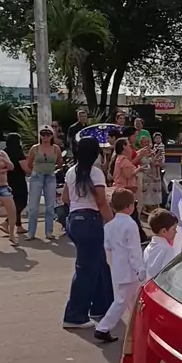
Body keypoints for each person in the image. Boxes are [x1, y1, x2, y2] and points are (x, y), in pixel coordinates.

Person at [62, 136, 114, 328]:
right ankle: (74, 315)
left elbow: (65, 197)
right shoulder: (95, 173)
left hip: (74, 220)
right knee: (86, 270)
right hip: (90, 221)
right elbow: (101, 201)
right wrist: (113, 222)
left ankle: (101, 306)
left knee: (99, 265)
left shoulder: (71, 171)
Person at [94, 189, 146, 343]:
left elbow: (107, 247)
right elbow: (134, 250)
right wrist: (140, 268)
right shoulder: (130, 224)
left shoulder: (109, 226)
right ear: (130, 206)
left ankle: (136, 327)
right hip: (130, 270)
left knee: (130, 301)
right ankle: (103, 328)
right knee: (123, 301)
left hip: (116, 267)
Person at [25, 126, 62, 241]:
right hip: (37, 176)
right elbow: (29, 163)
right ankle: (31, 232)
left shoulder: (56, 148)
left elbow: (60, 163)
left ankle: (49, 232)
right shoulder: (35, 148)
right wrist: (36, 170)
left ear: (52, 135)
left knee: (50, 206)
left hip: (50, 176)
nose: (45, 136)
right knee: (33, 207)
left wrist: (52, 168)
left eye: (48, 134)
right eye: (43, 134)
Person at [0, 133, 29, 236]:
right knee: (22, 202)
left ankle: (19, 226)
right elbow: (24, 167)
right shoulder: (18, 151)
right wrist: (33, 171)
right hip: (18, 180)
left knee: (15, 202)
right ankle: (6, 222)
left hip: (7, 179)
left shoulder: (4, 151)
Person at [143, 209, 178, 280]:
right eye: (174, 229)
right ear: (164, 231)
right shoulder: (167, 249)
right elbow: (168, 275)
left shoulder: (148, 248)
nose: (176, 232)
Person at [139, 135, 162, 213]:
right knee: (145, 195)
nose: (146, 144)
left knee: (154, 195)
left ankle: (155, 210)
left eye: (147, 142)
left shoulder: (153, 152)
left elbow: (159, 163)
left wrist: (157, 163)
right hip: (144, 176)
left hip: (154, 177)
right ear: (141, 144)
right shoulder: (139, 153)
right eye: (144, 142)